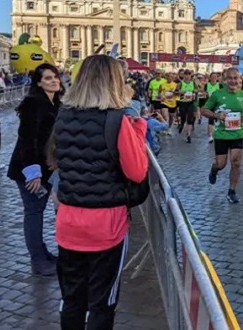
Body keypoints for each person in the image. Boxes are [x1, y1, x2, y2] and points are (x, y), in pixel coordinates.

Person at [50, 55, 149, 330]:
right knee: (102, 303)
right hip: (107, 223)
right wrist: (139, 128)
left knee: (72, 299)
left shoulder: (63, 114)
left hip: (69, 219)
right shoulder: (118, 120)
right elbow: (137, 172)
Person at [7, 63, 63, 276]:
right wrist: (33, 173)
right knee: (33, 212)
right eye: (48, 78)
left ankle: (43, 253)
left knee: (38, 211)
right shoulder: (33, 103)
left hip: (46, 168)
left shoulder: (55, 103)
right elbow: (27, 140)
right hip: (29, 169)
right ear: (39, 83)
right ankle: (37, 260)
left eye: (55, 77)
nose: (54, 81)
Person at [201, 68, 243, 203]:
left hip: (237, 134)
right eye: (230, 78)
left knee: (236, 163)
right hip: (221, 135)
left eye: (236, 78)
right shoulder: (217, 95)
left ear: (240, 80)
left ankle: (232, 191)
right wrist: (216, 115)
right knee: (221, 164)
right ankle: (214, 169)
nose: (233, 81)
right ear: (224, 80)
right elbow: (203, 110)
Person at [176, 69, 196, 143]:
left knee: (190, 119)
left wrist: (194, 92)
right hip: (182, 102)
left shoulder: (193, 83)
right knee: (183, 118)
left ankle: (188, 135)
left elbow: (197, 90)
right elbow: (176, 91)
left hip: (190, 102)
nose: (187, 76)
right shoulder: (180, 83)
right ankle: (181, 124)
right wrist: (180, 92)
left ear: (191, 76)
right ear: (184, 75)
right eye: (186, 75)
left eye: (189, 75)